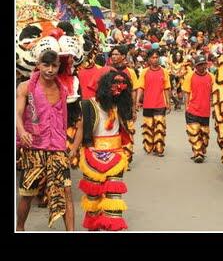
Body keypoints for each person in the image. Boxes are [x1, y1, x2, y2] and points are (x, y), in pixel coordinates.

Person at [16, 50, 74, 231]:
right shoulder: (25, 87)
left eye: (54, 65)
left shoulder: (63, 89)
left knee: (66, 192)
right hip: (34, 147)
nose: (50, 69)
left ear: (59, 66)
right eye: (46, 65)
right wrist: (22, 130)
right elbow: (18, 113)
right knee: (27, 194)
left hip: (57, 147)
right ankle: (20, 227)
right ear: (38, 65)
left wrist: (68, 144)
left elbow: (64, 119)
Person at [78, 70, 134, 231]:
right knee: (93, 196)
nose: (117, 90)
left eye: (121, 87)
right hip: (92, 154)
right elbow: (83, 133)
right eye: (114, 86)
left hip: (116, 155)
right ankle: (93, 227)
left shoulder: (121, 107)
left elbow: (126, 128)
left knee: (114, 198)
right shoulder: (88, 105)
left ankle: (112, 227)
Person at [136, 50, 171, 157]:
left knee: (159, 128)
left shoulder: (164, 71)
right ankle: (149, 147)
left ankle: (159, 149)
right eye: (153, 57)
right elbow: (141, 87)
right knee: (148, 127)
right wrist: (137, 101)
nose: (155, 59)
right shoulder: (144, 72)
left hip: (160, 104)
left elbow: (166, 88)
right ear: (149, 59)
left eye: (157, 57)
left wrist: (168, 103)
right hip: (147, 104)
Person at [182, 55, 215, 163]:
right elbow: (186, 92)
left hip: (205, 111)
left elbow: (215, 92)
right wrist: (186, 106)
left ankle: (201, 149)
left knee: (204, 136)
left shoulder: (211, 77)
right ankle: (197, 154)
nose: (202, 67)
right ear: (195, 66)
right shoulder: (190, 76)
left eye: (203, 64)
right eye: (199, 65)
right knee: (194, 133)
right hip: (193, 110)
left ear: (206, 64)